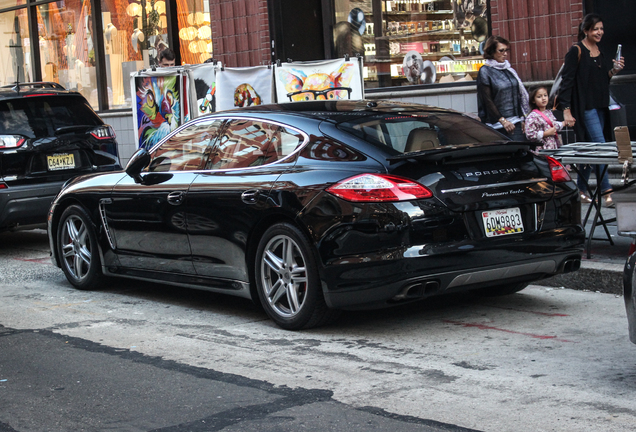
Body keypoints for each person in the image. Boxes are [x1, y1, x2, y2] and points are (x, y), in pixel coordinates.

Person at [557, 13, 625, 206]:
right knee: (601, 147)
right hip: (585, 107)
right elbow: (567, 81)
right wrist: (566, 110)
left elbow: (603, 80)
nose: (599, 32)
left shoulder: (599, 50)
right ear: (585, 30)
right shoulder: (576, 50)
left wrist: (614, 71)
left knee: (590, 148)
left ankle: (579, 189)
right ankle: (606, 191)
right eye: (595, 29)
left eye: (601, 29)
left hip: (601, 106)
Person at [476, 35, 530, 141]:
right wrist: (503, 120)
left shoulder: (508, 69)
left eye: (506, 50)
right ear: (491, 52)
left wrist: (522, 118)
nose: (505, 54)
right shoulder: (485, 71)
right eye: (501, 51)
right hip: (496, 125)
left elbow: (517, 95)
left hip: (516, 121)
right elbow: (487, 100)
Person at [525, 86, 563, 151]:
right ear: (533, 100)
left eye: (545, 95)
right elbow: (530, 134)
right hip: (542, 148)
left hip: (552, 146)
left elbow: (553, 125)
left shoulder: (549, 112)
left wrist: (563, 123)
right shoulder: (532, 116)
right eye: (539, 97)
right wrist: (545, 134)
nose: (543, 98)